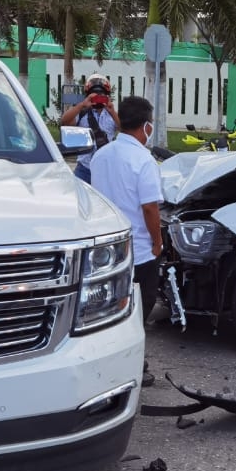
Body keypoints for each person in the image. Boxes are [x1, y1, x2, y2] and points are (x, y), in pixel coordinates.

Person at [89, 94, 164, 386]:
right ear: (145, 126)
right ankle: (134, 367)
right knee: (138, 313)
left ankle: (106, 364)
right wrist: (158, 243)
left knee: (108, 312)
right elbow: (150, 208)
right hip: (141, 252)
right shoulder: (143, 161)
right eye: (151, 124)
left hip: (107, 250)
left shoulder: (102, 155)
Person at [61, 73, 118, 184]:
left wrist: (112, 111)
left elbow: (124, 128)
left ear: (107, 95)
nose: (97, 97)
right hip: (84, 169)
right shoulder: (82, 112)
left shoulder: (111, 114)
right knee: (78, 199)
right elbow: (64, 121)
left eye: (101, 95)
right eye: (94, 95)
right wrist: (82, 105)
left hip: (107, 170)